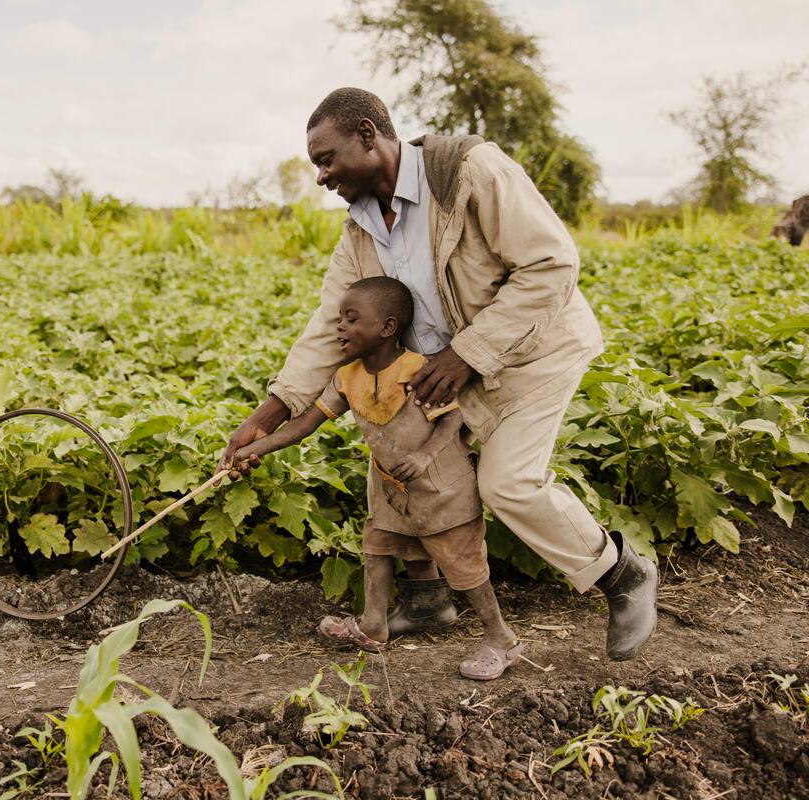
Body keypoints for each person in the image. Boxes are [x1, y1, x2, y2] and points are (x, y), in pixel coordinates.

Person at [219, 87, 657, 661]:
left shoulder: (469, 172)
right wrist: (273, 409)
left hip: (532, 351)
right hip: (449, 372)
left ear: (369, 136)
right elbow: (330, 323)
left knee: (508, 484)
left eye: (326, 159)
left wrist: (468, 354)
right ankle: (427, 599)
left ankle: (620, 574)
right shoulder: (360, 228)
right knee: (406, 467)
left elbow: (552, 265)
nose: (322, 176)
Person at [232, 277, 521, 679]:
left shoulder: (417, 369)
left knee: (464, 564)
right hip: (389, 487)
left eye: (352, 319)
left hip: (440, 484)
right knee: (378, 548)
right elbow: (306, 424)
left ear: (387, 327)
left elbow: (453, 414)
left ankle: (501, 640)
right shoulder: (346, 377)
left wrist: (425, 454)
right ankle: (373, 625)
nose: (341, 328)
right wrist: (256, 447)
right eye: (340, 319)